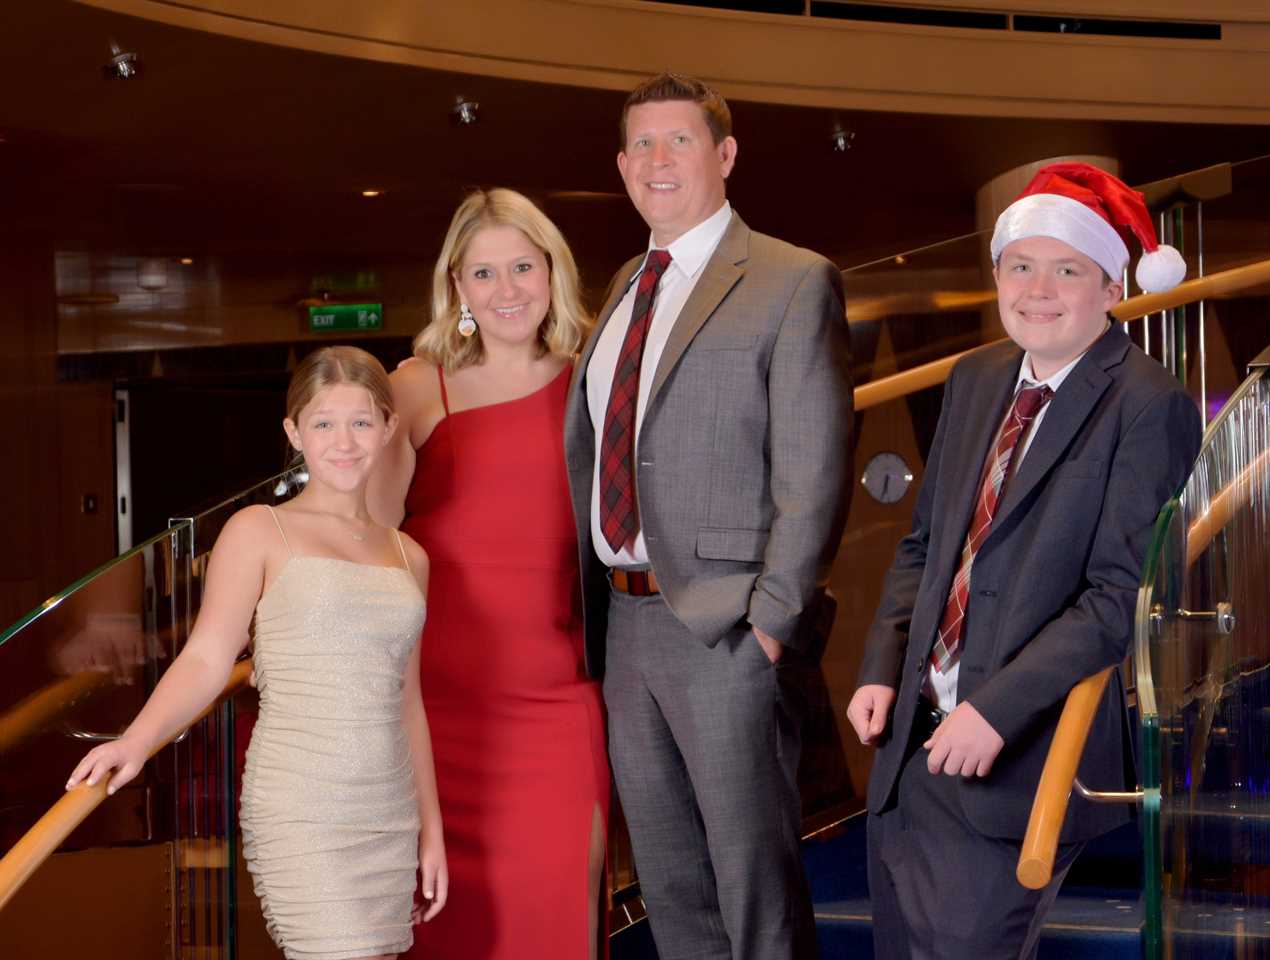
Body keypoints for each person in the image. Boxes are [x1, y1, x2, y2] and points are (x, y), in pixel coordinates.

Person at [847, 162, 1202, 959]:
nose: (1038, 289)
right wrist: (880, 666)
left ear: (1112, 285)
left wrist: (995, 710)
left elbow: (1119, 599)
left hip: (1018, 760)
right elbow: (924, 544)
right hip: (910, 750)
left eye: (1067, 269)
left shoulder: (1149, 404)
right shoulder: (976, 377)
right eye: (1021, 266)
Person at [562, 73, 853, 960]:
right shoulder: (621, 285)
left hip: (725, 629)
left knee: (755, 890)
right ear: (619, 165)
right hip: (626, 624)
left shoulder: (791, 279)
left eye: (678, 141)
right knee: (670, 887)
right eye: (640, 145)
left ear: (724, 155)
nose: (657, 160)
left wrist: (770, 625)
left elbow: (814, 468)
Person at [67, 346, 446, 960]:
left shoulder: (409, 555)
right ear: (294, 433)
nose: (343, 441)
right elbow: (206, 659)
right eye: (323, 423)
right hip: (302, 804)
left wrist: (431, 828)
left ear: (387, 427)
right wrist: (134, 742)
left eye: (360, 421)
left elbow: (409, 703)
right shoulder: (258, 529)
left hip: (389, 809)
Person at [366, 188, 607, 959]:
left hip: (558, 709)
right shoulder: (414, 390)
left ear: (552, 272)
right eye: (483, 273)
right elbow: (356, 546)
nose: (507, 290)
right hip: (433, 717)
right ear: (457, 289)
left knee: (556, 920)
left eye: (522, 267)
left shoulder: (597, 385)